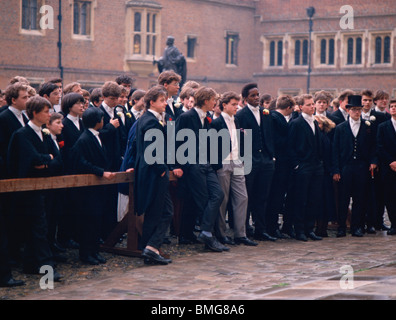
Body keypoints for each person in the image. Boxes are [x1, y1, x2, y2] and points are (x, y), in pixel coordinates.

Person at [7, 96, 63, 281]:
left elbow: (58, 160)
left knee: (38, 227)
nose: (49, 115)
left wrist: (47, 162)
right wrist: (47, 159)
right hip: (26, 190)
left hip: (44, 188)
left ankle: (31, 264)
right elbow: (33, 160)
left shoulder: (45, 133)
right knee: (37, 228)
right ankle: (47, 267)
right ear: (34, 113)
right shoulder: (21, 135)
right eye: (46, 111)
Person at [134, 86, 183, 264]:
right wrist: (162, 168)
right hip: (153, 173)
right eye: (162, 100)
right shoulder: (149, 121)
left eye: (165, 100)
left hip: (153, 171)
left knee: (161, 211)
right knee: (160, 212)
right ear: (152, 102)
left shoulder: (149, 119)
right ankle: (150, 248)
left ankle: (150, 248)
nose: (165, 103)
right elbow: (150, 149)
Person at [175, 86, 226, 252]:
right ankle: (207, 234)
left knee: (218, 194)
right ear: (205, 101)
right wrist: (178, 165)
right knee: (202, 201)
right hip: (193, 165)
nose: (215, 103)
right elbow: (175, 141)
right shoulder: (186, 117)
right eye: (213, 100)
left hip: (207, 165)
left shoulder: (207, 118)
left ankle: (205, 232)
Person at [71, 107, 116, 265]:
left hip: (98, 188)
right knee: (88, 221)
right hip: (88, 190)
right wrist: (100, 171)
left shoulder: (96, 137)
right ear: (98, 122)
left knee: (97, 220)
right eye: (102, 119)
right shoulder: (84, 139)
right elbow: (81, 163)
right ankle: (86, 253)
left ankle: (95, 251)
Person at [212, 91, 257, 246]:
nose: (236, 107)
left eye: (237, 104)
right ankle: (221, 234)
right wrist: (217, 164)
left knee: (242, 197)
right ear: (224, 105)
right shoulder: (216, 123)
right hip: (223, 163)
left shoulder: (236, 120)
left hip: (238, 162)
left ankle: (240, 234)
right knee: (222, 200)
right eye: (233, 104)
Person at [235, 83, 276, 241]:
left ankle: (261, 229)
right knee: (247, 196)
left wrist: (270, 155)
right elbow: (239, 140)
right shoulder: (240, 115)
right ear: (245, 98)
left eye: (258, 94)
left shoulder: (265, 113)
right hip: (248, 160)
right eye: (253, 95)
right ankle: (244, 230)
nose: (257, 97)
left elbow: (269, 135)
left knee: (262, 195)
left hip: (265, 160)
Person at [332, 95, 378, 237]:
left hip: (362, 167)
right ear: (348, 110)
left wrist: (373, 161)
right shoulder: (340, 128)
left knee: (360, 198)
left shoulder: (368, 126)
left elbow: (373, 147)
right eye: (353, 110)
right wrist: (336, 170)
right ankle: (341, 227)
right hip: (346, 167)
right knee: (343, 199)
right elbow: (335, 150)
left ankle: (356, 226)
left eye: (358, 110)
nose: (356, 112)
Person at [287, 94, 324, 241]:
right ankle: (299, 230)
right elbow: (290, 146)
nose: (312, 107)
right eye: (309, 104)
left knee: (313, 198)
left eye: (313, 104)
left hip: (316, 166)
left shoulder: (314, 122)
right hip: (303, 166)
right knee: (300, 199)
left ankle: (310, 229)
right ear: (301, 107)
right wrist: (297, 165)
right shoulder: (296, 123)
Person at [57, 93, 85, 249]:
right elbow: (64, 147)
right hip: (69, 168)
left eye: (82, 103)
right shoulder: (65, 123)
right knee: (68, 205)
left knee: (79, 205)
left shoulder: (82, 123)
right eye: (78, 103)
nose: (82, 106)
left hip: (82, 168)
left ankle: (76, 234)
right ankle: (64, 237)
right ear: (69, 105)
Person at [267, 95, 295, 239]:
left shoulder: (273, 117)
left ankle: (273, 226)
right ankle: (272, 227)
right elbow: (278, 140)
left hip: (280, 164)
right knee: (276, 197)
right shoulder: (276, 119)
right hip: (280, 164)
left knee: (276, 196)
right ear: (289, 108)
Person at [313, 114, 336, 237]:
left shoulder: (324, 138)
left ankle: (322, 228)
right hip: (321, 172)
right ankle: (320, 228)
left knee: (324, 202)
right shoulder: (320, 137)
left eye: (319, 123)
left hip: (324, 173)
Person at [377, 99, 396, 235]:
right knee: (390, 197)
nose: (394, 108)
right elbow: (379, 146)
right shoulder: (383, 127)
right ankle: (394, 224)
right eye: (392, 107)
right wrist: (391, 161)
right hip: (389, 167)